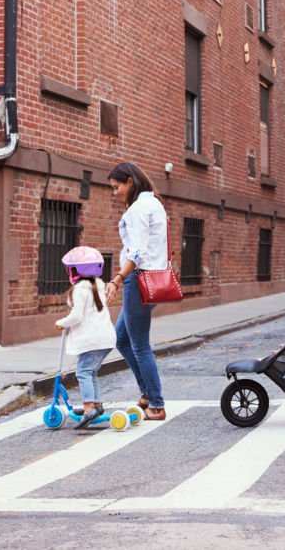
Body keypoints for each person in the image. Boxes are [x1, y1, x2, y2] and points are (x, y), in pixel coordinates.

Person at [105, 162, 168, 421]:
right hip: (151, 279)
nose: (115, 192)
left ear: (130, 181)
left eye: (116, 186)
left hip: (138, 280)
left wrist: (117, 279)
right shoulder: (153, 203)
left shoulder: (139, 209)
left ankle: (156, 403)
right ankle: (146, 394)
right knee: (121, 340)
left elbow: (138, 251)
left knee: (139, 344)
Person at [55, 246, 116, 429]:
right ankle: (96, 405)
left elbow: (77, 316)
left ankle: (89, 407)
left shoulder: (80, 288)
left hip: (93, 340)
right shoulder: (98, 284)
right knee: (91, 371)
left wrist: (61, 322)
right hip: (104, 338)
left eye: (71, 269)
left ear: (78, 270)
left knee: (83, 372)